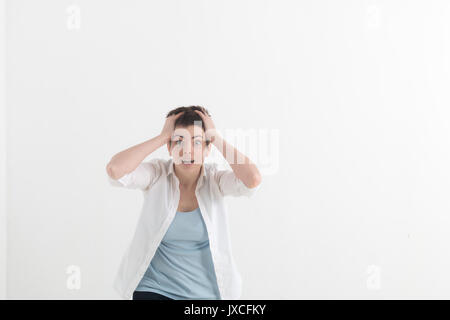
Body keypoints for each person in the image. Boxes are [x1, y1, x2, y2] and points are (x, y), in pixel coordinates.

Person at [106, 105, 262, 300]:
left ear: (207, 148)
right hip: (154, 289)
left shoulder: (215, 180)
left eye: (197, 143)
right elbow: (114, 170)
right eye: (178, 141)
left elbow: (253, 180)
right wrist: (162, 137)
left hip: (207, 295)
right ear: (169, 147)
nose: (187, 151)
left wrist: (215, 136)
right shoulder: (157, 174)